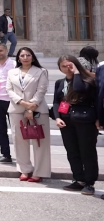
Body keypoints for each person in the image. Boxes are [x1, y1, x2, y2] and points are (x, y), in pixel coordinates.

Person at [50, 55, 99, 196]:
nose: (67, 68)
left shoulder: (88, 80)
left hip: (84, 120)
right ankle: (79, 179)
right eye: (64, 66)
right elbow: (56, 102)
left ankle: (89, 182)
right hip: (66, 120)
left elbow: (78, 89)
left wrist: (77, 72)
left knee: (87, 152)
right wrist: (57, 118)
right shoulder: (60, 82)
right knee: (72, 151)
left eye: (70, 65)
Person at [6, 47, 50, 181]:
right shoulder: (12, 72)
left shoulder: (41, 71)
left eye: (28, 55)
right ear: (18, 58)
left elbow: (41, 90)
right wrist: (22, 103)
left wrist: (31, 107)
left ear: (32, 57)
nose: (25, 57)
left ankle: (39, 171)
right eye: (22, 55)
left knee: (40, 141)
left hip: (37, 109)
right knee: (19, 140)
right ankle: (24, 169)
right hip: (17, 109)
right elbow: (9, 89)